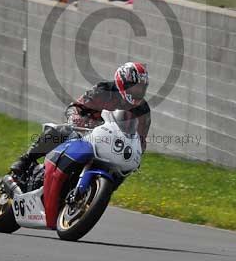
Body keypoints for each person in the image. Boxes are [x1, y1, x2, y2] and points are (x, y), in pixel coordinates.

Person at [9, 62, 151, 176]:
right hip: (86, 131)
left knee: (120, 173)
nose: (138, 92)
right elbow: (76, 107)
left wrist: (137, 154)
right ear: (122, 82)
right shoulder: (104, 90)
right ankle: (25, 160)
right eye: (135, 87)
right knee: (61, 130)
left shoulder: (143, 110)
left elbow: (141, 140)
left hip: (112, 146)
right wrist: (76, 119)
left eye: (141, 88)